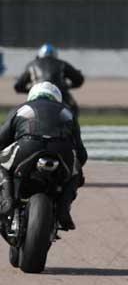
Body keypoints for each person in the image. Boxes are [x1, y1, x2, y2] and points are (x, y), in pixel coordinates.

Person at [0, 81, 87, 232]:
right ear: (57, 98)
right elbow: (81, 153)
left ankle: (7, 200)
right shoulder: (67, 112)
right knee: (76, 171)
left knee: (1, 161)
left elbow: (1, 140)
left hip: (27, 146)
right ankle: (63, 209)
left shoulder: (22, 108)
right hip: (61, 150)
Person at [14, 44, 84, 116]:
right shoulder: (61, 64)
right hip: (60, 93)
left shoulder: (31, 65)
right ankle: (72, 125)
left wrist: (31, 90)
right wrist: (67, 86)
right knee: (73, 109)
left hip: (36, 94)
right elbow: (79, 79)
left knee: (23, 112)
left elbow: (18, 86)